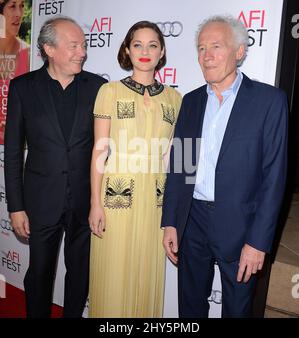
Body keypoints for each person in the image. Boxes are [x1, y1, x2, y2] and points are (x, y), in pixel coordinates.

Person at [161, 15, 288, 318]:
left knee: (238, 311)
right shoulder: (190, 102)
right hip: (192, 221)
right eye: (201, 48)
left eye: (216, 46)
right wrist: (171, 221)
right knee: (189, 308)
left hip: (242, 224)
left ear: (240, 51)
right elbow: (180, 167)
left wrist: (258, 242)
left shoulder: (269, 101)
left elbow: (274, 178)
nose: (206, 56)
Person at [4, 16, 107, 318]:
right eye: (74, 45)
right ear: (49, 48)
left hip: (84, 202)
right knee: (39, 274)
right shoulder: (23, 87)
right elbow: (12, 152)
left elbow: (105, 148)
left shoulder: (99, 88)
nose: (82, 52)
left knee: (80, 275)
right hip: (40, 201)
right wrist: (16, 206)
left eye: (84, 45)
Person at [88, 20, 182, 317]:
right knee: (113, 275)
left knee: (146, 273)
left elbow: (178, 159)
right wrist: (95, 203)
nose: (145, 51)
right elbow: (100, 149)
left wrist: (176, 214)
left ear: (162, 51)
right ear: (127, 50)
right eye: (137, 44)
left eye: (152, 44)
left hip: (156, 202)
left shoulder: (175, 99)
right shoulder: (109, 91)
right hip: (115, 199)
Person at [0, 0, 30, 143]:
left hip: (18, 142)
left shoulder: (29, 54)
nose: (19, 14)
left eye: (21, 6)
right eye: (12, 6)